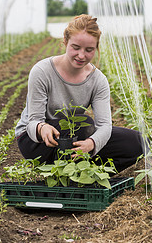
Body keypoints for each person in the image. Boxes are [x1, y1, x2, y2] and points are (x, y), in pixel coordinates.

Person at [15, 14, 145, 172]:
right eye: (75, 47)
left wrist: (92, 143)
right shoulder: (42, 71)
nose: (81, 55)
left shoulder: (98, 80)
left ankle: (88, 173)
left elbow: (104, 126)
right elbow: (33, 121)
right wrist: (42, 128)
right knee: (82, 125)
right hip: (36, 141)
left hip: (75, 135)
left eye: (89, 50)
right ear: (65, 41)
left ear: (96, 48)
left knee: (138, 141)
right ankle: (64, 173)